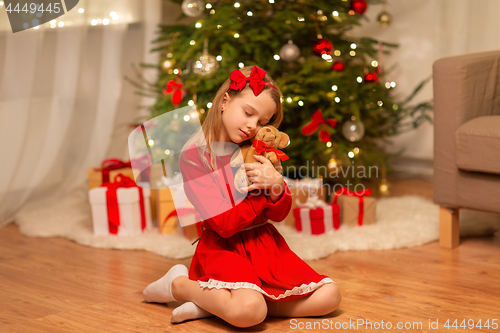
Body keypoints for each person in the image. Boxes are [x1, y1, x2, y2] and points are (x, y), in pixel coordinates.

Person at [142, 65, 341, 328]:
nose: (252, 126)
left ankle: (217, 304)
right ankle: (180, 285)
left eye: (262, 122)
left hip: (264, 244)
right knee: (250, 313)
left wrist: (276, 186)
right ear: (225, 101)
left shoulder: (257, 152)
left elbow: (279, 215)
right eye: (248, 113)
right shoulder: (195, 156)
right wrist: (261, 192)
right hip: (224, 250)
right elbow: (225, 225)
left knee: (330, 296)